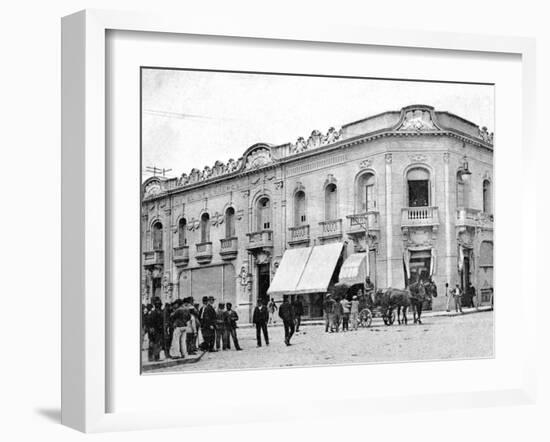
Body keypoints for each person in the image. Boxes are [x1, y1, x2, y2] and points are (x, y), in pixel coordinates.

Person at [147, 297, 164, 361]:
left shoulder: (159, 312)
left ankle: (156, 357)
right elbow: (149, 322)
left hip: (158, 330)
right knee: (153, 343)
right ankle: (151, 357)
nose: (159, 306)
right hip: (154, 330)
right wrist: (151, 329)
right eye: (158, 304)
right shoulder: (153, 313)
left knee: (157, 343)